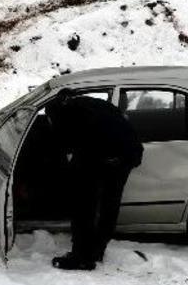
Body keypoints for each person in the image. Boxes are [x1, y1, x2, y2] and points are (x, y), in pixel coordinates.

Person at [44, 89, 143, 271]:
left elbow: (75, 148)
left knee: (83, 207)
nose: (49, 123)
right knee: (108, 206)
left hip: (113, 157)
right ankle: (96, 251)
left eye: (49, 119)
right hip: (128, 154)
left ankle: (82, 258)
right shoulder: (91, 105)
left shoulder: (73, 117)